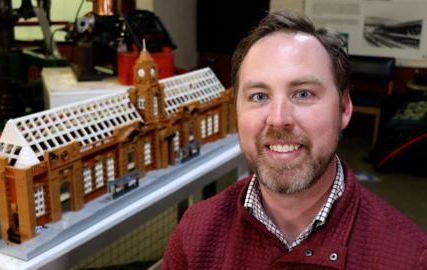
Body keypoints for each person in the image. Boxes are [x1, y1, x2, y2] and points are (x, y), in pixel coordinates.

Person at [162, 10, 427, 269]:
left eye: (303, 94)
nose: (278, 119)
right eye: (259, 96)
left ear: (344, 109)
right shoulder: (194, 234)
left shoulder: (410, 257)